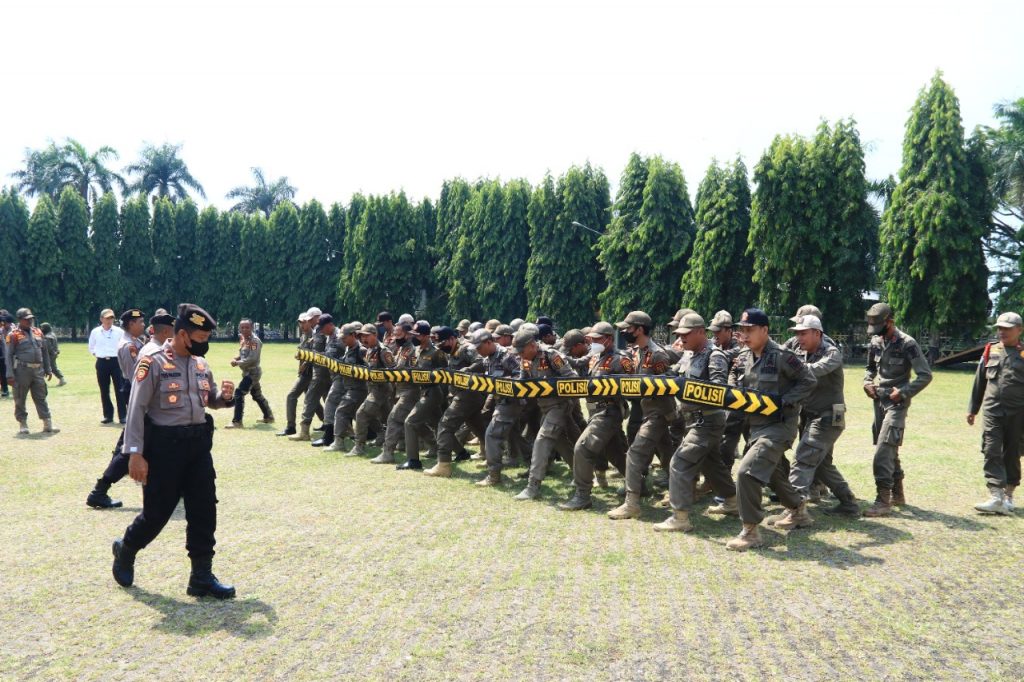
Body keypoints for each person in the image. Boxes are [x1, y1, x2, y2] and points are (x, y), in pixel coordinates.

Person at [111, 304, 237, 599]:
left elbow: (209, 399)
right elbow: (136, 408)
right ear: (182, 334)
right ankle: (126, 549)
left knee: (204, 510)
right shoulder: (152, 361)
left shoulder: (200, 364)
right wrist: (135, 454)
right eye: (201, 337)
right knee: (157, 514)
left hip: (198, 448)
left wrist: (224, 398)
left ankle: (201, 577)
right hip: (165, 449)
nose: (204, 343)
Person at [726, 308, 816, 551]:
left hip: (779, 426)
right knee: (774, 474)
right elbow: (734, 377)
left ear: (764, 330)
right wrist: (734, 390)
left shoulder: (781, 356)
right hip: (755, 426)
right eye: (742, 330)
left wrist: (786, 400)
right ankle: (798, 510)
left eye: (749, 330)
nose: (744, 335)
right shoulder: (744, 356)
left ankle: (750, 532)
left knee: (747, 472)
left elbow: (808, 380)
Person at [653, 313, 737, 532]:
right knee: (712, 465)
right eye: (679, 334)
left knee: (679, 462)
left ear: (701, 332)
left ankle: (680, 518)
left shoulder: (714, 355)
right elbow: (675, 375)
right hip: (693, 420)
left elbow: (719, 390)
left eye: (685, 334)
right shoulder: (689, 354)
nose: (681, 338)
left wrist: (689, 389)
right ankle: (733, 501)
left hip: (706, 420)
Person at [776, 315, 859, 523]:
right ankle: (848, 503)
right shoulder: (800, 350)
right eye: (796, 333)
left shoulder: (831, 353)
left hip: (829, 416)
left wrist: (792, 369)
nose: (798, 338)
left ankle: (795, 510)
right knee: (821, 465)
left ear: (817, 334)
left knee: (803, 457)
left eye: (803, 333)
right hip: (812, 416)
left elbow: (815, 371)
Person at [87, 311, 174, 509]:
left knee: (133, 445)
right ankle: (99, 491)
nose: (143, 325)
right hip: (138, 396)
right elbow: (136, 377)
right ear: (130, 324)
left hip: (141, 397)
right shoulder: (129, 346)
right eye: (140, 322)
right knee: (130, 448)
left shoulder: (137, 343)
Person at [862, 302, 933, 516]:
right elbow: (869, 369)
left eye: (879, 328)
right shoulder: (875, 341)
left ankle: (883, 500)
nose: (877, 334)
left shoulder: (907, 344)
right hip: (879, 401)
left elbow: (925, 375)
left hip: (897, 403)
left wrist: (903, 392)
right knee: (889, 447)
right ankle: (898, 493)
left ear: (890, 322)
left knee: (883, 450)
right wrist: (867, 382)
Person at [558, 321, 634, 511]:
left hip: (608, 411)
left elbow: (632, 387)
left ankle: (582, 495)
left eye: (597, 339)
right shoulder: (594, 357)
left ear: (608, 339)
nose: (593, 342)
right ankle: (638, 485)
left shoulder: (620, 360)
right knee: (616, 453)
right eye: (591, 339)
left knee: (582, 448)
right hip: (595, 411)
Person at [608, 311, 674, 519]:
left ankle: (632, 503)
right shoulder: (637, 352)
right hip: (644, 409)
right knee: (667, 455)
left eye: (629, 328)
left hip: (658, 412)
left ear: (640, 329)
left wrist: (670, 415)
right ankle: (682, 490)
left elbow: (668, 387)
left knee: (635, 453)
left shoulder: (658, 355)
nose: (625, 332)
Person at [968, 312, 1024, 515]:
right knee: (991, 449)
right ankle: (995, 495)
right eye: (999, 328)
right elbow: (979, 382)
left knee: (1012, 453)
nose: (1002, 332)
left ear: (1019, 330)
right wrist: (973, 409)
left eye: (1007, 328)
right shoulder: (990, 351)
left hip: (1018, 413)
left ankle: (1008, 494)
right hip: (992, 410)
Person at [513, 329, 578, 500]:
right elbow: (523, 382)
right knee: (560, 442)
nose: (520, 355)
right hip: (544, 408)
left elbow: (572, 379)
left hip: (559, 406)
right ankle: (582, 475)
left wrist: (552, 386)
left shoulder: (551, 355)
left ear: (532, 345)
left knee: (542, 440)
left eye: (522, 351)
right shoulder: (525, 360)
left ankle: (533, 486)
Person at [424, 327, 490, 478]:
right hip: (463, 394)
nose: (441, 347)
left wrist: (467, 369)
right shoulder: (451, 352)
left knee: (444, 425)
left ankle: (443, 465)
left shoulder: (466, 348)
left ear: (451, 339)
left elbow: (482, 361)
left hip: (468, 394)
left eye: (442, 343)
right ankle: (492, 457)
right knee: (479, 428)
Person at [469, 330, 529, 486]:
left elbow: (521, 377)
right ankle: (533, 467)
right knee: (516, 436)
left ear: (489, 343)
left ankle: (494, 476)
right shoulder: (487, 358)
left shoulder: (506, 356)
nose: (477, 350)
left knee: (492, 435)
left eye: (479, 347)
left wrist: (502, 381)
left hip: (511, 401)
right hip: (499, 400)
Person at [397, 322, 449, 471]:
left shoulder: (436, 352)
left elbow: (445, 376)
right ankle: (461, 452)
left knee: (410, 422)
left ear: (426, 336)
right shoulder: (418, 350)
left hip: (433, 392)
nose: (415, 337)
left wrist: (444, 398)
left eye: (417, 335)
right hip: (423, 391)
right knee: (439, 424)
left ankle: (413, 460)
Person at [5, 308, 57, 435]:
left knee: (41, 396)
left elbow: (44, 351)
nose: (29, 321)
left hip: (38, 370)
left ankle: (47, 423)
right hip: (22, 370)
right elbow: (8, 355)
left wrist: (48, 368)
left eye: (31, 319)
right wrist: (9, 374)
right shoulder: (13, 335)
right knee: (20, 398)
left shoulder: (38, 332)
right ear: (20, 320)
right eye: (26, 319)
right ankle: (23, 423)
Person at [372, 322, 418, 464]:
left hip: (410, 391)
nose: (395, 337)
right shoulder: (400, 349)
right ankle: (433, 446)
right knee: (419, 422)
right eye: (395, 334)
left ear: (408, 334)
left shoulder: (413, 351)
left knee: (393, 418)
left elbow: (413, 372)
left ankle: (388, 453)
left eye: (398, 334)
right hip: (399, 390)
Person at [346, 323, 396, 456]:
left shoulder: (383, 351)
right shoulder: (368, 350)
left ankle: (359, 447)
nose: (363, 339)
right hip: (373, 388)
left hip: (381, 390)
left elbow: (395, 372)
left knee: (361, 414)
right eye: (361, 336)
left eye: (367, 336)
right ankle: (383, 437)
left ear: (375, 335)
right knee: (387, 417)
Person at [323, 323, 369, 451]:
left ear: (354, 335)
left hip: (358, 389)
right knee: (362, 415)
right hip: (349, 388)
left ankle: (339, 442)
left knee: (341, 411)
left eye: (345, 338)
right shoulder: (348, 349)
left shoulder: (362, 351)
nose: (342, 340)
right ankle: (380, 436)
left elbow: (371, 371)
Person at [290, 311, 331, 442]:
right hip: (321, 372)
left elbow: (316, 354)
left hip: (321, 373)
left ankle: (304, 432)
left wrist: (306, 361)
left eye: (310, 319)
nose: (308, 322)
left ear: (317, 318)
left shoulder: (320, 333)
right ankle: (345, 429)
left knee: (311, 399)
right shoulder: (318, 332)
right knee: (330, 400)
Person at [277, 312, 320, 436]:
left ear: (309, 322)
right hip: (305, 372)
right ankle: (327, 424)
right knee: (313, 400)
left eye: (304, 322)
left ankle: (291, 427)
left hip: (309, 373)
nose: (302, 325)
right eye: (300, 322)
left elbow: (315, 353)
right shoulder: (303, 336)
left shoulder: (314, 336)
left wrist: (305, 363)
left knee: (291, 396)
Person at [226, 319, 274, 429]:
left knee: (239, 393)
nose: (244, 329)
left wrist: (237, 363)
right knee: (257, 395)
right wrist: (236, 358)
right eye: (242, 327)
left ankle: (237, 422)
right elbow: (243, 354)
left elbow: (252, 358)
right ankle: (269, 416)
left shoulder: (254, 341)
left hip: (253, 373)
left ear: (252, 328)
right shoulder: (245, 340)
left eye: (247, 327)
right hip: (247, 372)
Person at [89, 308, 127, 424]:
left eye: (111, 318)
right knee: (104, 390)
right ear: (101, 319)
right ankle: (108, 415)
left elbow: (124, 346)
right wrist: (99, 355)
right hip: (102, 362)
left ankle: (122, 416)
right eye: (107, 318)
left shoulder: (119, 331)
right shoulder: (95, 332)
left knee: (120, 390)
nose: (109, 320)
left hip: (116, 362)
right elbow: (91, 347)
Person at [0, 311, 12, 398]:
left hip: (10, 355)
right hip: (2, 355)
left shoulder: (14, 330)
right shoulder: (1, 331)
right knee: (3, 373)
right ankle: (5, 389)